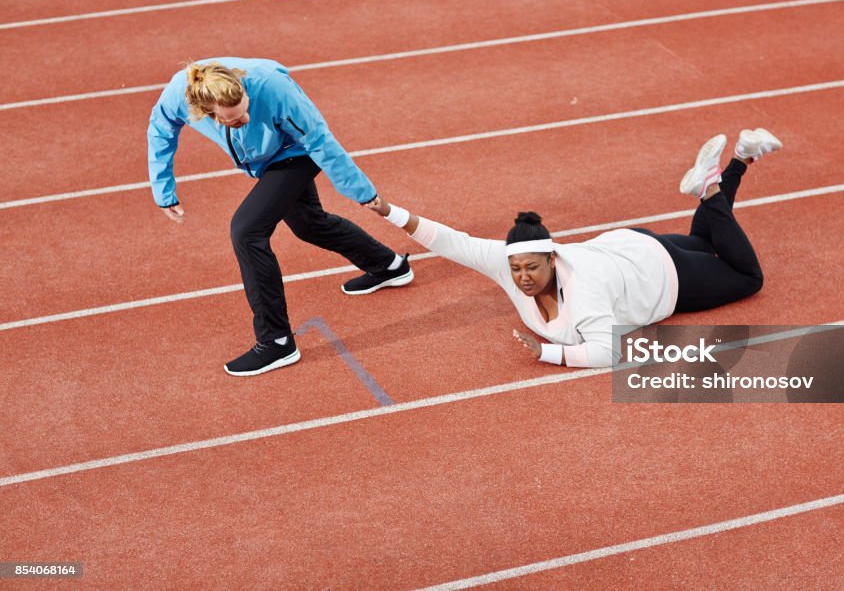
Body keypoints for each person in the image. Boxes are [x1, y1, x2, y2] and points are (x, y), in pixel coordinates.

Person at [363, 129, 782, 367]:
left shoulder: (584, 294)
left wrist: (546, 352)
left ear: (552, 257)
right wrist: (389, 212)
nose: (523, 277)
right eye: (517, 270)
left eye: (532, 268)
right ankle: (742, 157)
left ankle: (711, 192)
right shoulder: (509, 261)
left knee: (748, 277)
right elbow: (451, 241)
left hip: (664, 277)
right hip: (631, 246)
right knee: (706, 240)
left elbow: (609, 352)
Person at [147, 58, 413, 376]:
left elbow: (320, 140)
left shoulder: (273, 89)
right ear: (207, 113)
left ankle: (276, 342)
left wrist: (362, 192)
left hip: (296, 151)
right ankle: (388, 266)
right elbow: (160, 130)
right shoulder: (180, 94)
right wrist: (163, 191)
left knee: (246, 231)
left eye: (246, 110)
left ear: (243, 89)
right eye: (234, 121)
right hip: (265, 161)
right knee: (308, 224)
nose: (244, 118)